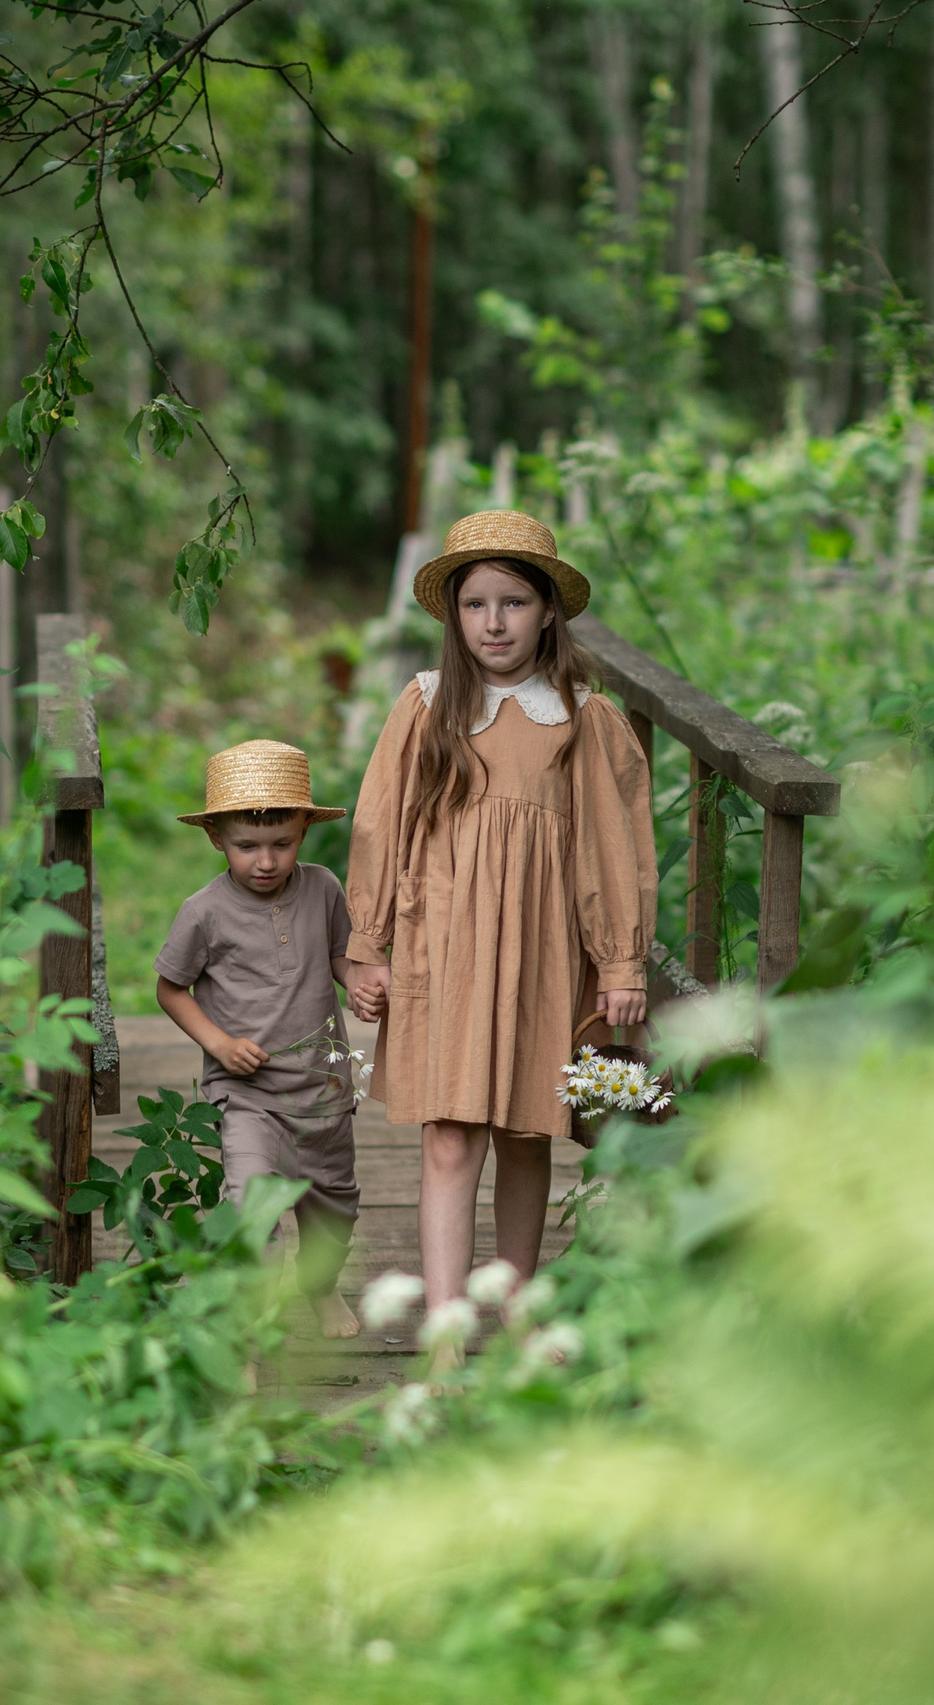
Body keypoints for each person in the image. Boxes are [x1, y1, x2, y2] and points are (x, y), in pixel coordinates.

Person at [343, 510, 657, 1339]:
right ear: (453, 613)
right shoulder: (426, 705)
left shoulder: (584, 718)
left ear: (549, 609)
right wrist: (365, 946)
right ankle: (447, 1327)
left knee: (527, 1130)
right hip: (442, 945)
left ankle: (516, 1307)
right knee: (449, 1137)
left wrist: (622, 961)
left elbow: (614, 848)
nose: (494, 622)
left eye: (514, 602)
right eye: (476, 604)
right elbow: (380, 827)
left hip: (543, 953)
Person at [154, 740, 365, 1339]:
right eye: (248, 846)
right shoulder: (204, 911)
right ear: (216, 837)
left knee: (334, 1209)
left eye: (283, 844)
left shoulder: (323, 888)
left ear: (304, 830)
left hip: (323, 1089)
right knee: (253, 1210)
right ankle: (248, 1334)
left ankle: (319, 1287)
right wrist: (219, 1044)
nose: (266, 861)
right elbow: (171, 990)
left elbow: (339, 958)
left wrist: (362, 984)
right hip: (246, 1096)